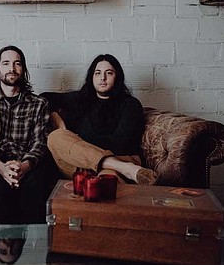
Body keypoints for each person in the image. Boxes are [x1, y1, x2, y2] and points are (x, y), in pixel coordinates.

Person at [41, 53, 159, 185]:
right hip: (85, 164)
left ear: (117, 77)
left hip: (121, 158)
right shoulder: (81, 99)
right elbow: (44, 97)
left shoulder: (130, 104)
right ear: (92, 77)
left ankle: (120, 168)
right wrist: (57, 119)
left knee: (103, 186)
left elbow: (121, 143)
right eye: (97, 73)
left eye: (109, 73)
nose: (102, 78)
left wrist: (78, 140)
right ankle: (125, 169)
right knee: (56, 136)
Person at [0, 45, 50, 224]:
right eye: (6, 63)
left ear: (23, 69)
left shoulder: (38, 104)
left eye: (17, 64)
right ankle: (3, 245)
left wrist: (23, 167)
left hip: (27, 165)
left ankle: (31, 246)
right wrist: (2, 168)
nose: (12, 68)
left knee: (35, 187)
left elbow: (40, 142)